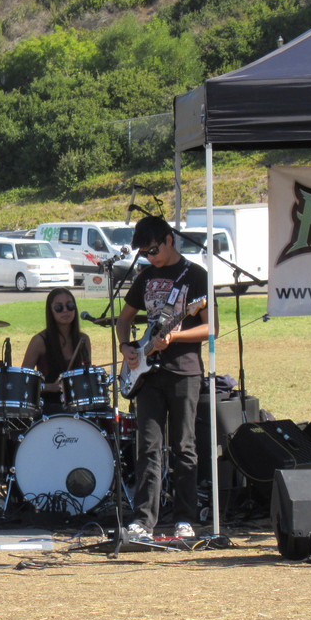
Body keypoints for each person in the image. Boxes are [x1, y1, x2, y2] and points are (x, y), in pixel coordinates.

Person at [116, 217, 212, 540]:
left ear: (169, 240)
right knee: (148, 446)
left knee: (184, 445)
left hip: (184, 370)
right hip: (148, 374)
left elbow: (210, 328)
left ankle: (185, 518)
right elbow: (124, 318)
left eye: (154, 250)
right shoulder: (146, 277)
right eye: (144, 253)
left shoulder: (196, 276)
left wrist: (177, 337)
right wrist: (127, 347)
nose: (150, 257)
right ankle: (143, 519)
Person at [21, 287, 92, 415]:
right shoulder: (39, 341)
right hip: (49, 406)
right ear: (51, 311)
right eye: (59, 307)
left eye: (70, 306)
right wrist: (49, 387)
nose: (65, 310)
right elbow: (23, 382)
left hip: (78, 404)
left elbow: (87, 376)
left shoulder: (83, 339)